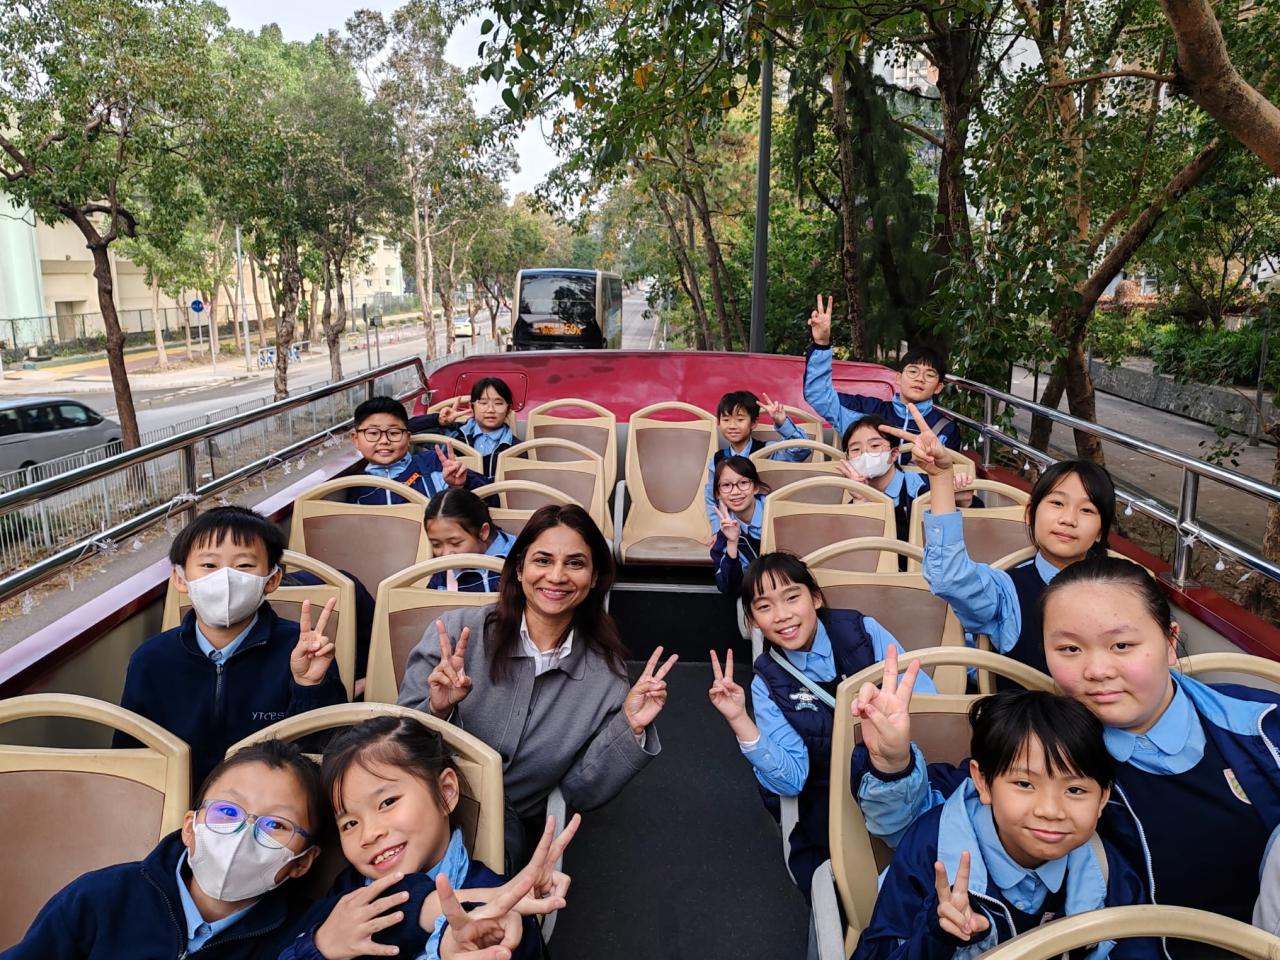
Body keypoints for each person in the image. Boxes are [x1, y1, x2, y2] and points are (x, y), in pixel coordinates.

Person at [852, 558, 1280, 940]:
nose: (1097, 670)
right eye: (1069, 649)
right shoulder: (1046, 744)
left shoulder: (1260, 728)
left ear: (1170, 641)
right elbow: (931, 825)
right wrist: (893, 761)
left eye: (1122, 646)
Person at [397, 504, 676, 866]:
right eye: (543, 560)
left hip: (503, 837)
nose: (557, 576)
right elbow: (398, 744)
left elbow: (579, 790)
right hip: (413, 808)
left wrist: (629, 728)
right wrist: (438, 710)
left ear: (594, 577)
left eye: (575, 563)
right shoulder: (456, 633)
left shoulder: (605, 677)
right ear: (519, 569)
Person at [853, 690, 1154, 960]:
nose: (1051, 811)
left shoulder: (1104, 867)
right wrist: (937, 936)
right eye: (1024, 784)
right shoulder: (932, 847)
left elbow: (1138, 946)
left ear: (1102, 799)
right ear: (983, 781)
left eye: (1075, 790)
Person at [707, 552, 934, 899]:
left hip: (904, 777)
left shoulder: (862, 631)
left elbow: (929, 706)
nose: (782, 615)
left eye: (792, 597)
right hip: (833, 801)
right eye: (764, 607)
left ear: (815, 598)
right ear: (752, 621)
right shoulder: (767, 681)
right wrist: (739, 719)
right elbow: (791, 779)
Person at [280, 716, 574, 960]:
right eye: (350, 823)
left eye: (387, 802)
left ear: (446, 792)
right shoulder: (349, 891)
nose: (369, 834)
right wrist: (319, 946)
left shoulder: (499, 901)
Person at [3, 740, 324, 959]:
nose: (243, 833)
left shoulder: (300, 937)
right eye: (227, 811)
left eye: (276, 824)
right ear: (190, 827)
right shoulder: (100, 898)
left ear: (303, 861)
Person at [114, 507, 346, 786]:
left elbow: (328, 755)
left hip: (271, 801)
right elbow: (131, 759)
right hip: (181, 805)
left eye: (244, 566)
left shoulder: (303, 652)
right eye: (209, 566)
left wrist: (309, 687)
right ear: (180, 578)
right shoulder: (151, 660)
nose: (225, 578)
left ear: (272, 579)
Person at [886, 403, 1114, 681]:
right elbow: (949, 576)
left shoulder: (1124, 588)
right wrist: (941, 477)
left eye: (1087, 510)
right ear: (1030, 514)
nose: (1069, 519)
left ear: (1101, 531)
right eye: (1057, 503)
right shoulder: (1008, 592)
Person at [803, 294, 956, 462]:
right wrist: (821, 343)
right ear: (898, 378)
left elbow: (948, 471)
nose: (920, 379)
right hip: (862, 480)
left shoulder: (945, 428)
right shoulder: (865, 411)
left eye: (929, 375)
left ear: (938, 387)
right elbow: (819, 395)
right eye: (913, 371)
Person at [705, 390, 810, 535]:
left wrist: (782, 423)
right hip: (733, 531)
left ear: (754, 423)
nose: (732, 425)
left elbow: (802, 449)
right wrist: (718, 531)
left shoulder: (767, 451)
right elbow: (711, 499)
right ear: (718, 422)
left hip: (770, 528)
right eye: (726, 420)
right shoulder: (717, 460)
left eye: (740, 419)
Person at [348, 396, 485, 505]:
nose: (384, 441)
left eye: (394, 433)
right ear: (356, 440)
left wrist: (461, 485)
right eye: (373, 433)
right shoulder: (357, 485)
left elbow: (489, 496)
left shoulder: (434, 463)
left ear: (408, 438)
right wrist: (436, 419)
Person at [411, 378, 517, 481]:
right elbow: (405, 430)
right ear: (471, 407)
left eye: (498, 403)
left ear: (508, 409)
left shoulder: (517, 448)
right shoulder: (453, 434)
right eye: (483, 403)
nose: (490, 410)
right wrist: (438, 420)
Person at [424, 489, 516, 593]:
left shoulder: (519, 559)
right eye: (436, 545)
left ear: (483, 532)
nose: (446, 554)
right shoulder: (442, 574)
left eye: (455, 543)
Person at [709, 456, 769, 595]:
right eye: (726, 485)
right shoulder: (723, 535)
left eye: (743, 483)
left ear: (756, 487)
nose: (735, 492)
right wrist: (732, 542)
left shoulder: (777, 512)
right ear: (718, 494)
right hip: (757, 594)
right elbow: (728, 587)